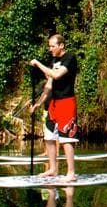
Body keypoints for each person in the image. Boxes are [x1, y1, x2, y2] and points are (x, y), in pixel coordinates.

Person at [30, 35, 80, 181]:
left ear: (61, 46)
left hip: (67, 102)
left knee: (66, 138)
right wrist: (39, 103)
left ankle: (71, 173)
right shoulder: (54, 61)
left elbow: (56, 75)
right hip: (54, 103)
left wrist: (38, 64)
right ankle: (52, 169)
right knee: (49, 135)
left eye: (52, 46)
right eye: (49, 46)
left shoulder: (70, 59)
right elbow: (49, 85)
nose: (50, 49)